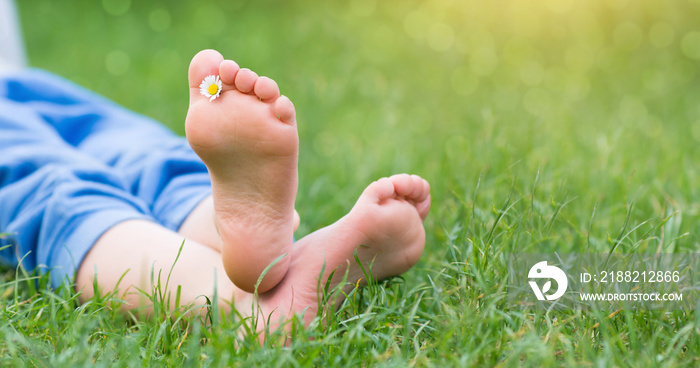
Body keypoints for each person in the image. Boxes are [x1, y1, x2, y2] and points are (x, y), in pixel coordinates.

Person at [0, 44, 431, 331]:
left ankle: (226, 227)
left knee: (135, 154)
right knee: (60, 179)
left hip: (21, 82)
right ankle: (244, 304)